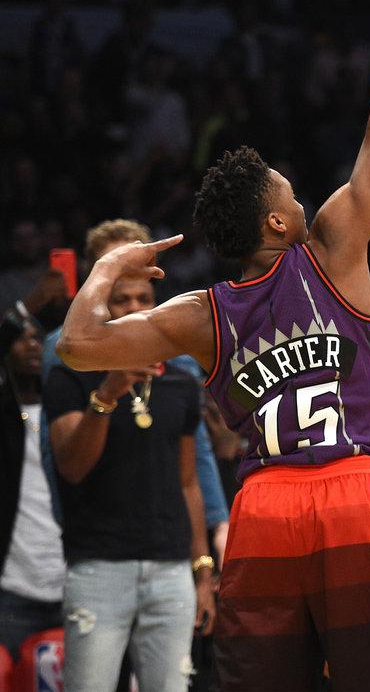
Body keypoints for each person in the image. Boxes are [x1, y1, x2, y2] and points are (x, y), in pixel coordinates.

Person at [56, 0, 370, 692]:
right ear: (274, 225)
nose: (297, 192)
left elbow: (77, 344)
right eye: (285, 189)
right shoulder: (332, 244)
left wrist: (104, 269)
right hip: (353, 493)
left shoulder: (202, 314)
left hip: (263, 506)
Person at [45, 271, 217, 692]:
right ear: (102, 309)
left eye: (144, 298)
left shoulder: (180, 382)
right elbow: (72, 466)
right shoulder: (69, 376)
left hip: (171, 568)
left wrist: (202, 570)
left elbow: (188, 482)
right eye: (122, 300)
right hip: (99, 566)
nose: (135, 309)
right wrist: (107, 394)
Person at [40, 218, 230, 569]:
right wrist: (70, 532)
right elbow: (56, 457)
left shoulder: (179, 352)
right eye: (114, 266)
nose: (126, 274)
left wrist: (218, 523)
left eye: (133, 262)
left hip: (165, 542)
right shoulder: (61, 348)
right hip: (95, 542)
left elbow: (195, 454)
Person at [0, 307, 64, 661]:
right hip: (13, 590)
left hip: (70, 582)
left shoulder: (68, 412)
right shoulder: (5, 413)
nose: (33, 346)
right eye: (21, 338)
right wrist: (30, 303)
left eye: (38, 338)